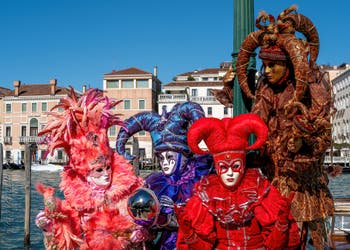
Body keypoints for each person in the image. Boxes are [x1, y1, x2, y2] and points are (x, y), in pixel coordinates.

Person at [235, 6, 335, 249]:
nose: (267, 72)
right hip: (273, 178)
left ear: (289, 66)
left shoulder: (312, 91)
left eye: (272, 66)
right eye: (265, 66)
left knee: (310, 232)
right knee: (277, 235)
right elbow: (255, 121)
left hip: (303, 183)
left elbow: (321, 135)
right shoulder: (266, 91)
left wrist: (303, 144)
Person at [35, 88, 143, 249]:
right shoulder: (76, 205)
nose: (106, 174)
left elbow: (147, 224)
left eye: (108, 167)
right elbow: (64, 242)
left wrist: (141, 231)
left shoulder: (129, 193)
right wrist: (50, 227)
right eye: (99, 170)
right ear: (85, 174)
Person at [175, 113, 300, 249]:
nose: (230, 173)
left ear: (243, 165)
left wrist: (281, 224)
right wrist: (190, 235)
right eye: (223, 167)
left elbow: (275, 246)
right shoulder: (205, 196)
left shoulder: (259, 190)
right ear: (217, 167)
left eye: (235, 166)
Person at [116, 102, 213, 249]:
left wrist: (163, 220)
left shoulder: (201, 176)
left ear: (183, 156)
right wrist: (145, 227)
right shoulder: (157, 184)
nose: (165, 163)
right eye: (161, 158)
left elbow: (203, 219)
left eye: (170, 157)